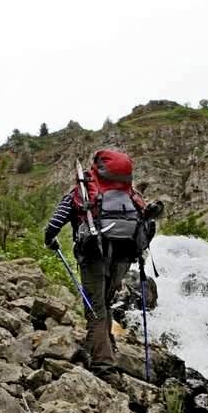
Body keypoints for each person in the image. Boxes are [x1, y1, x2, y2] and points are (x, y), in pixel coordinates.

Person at [44, 149, 163, 372]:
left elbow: (54, 224)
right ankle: (103, 345)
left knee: (95, 308)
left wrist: (51, 240)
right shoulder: (131, 195)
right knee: (105, 303)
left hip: (93, 257)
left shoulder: (82, 192)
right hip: (123, 259)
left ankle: (103, 363)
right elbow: (149, 227)